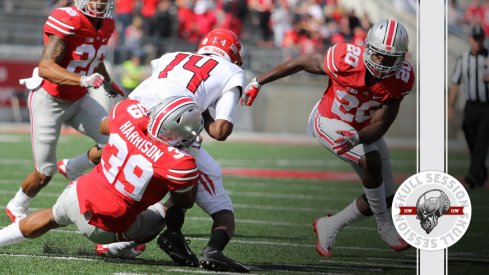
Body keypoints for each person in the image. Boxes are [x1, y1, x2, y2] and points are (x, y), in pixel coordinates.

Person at [242, 19, 414, 256]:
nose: (383, 64)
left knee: (384, 198)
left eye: (390, 58)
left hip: (359, 130)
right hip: (327, 120)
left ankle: (330, 224)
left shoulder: (402, 79)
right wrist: (258, 81)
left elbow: (381, 125)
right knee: (371, 161)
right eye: (378, 56)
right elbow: (302, 61)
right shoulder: (346, 58)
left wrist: (356, 138)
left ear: (402, 57)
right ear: (367, 49)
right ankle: (385, 227)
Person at [0, 96, 203, 259]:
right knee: (165, 211)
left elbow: (103, 127)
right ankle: (115, 247)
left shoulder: (128, 113)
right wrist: (191, 153)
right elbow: (185, 200)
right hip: (108, 229)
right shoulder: (179, 163)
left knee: (51, 216)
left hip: (78, 195)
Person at [122, 28, 248, 272]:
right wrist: (203, 110)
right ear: (232, 54)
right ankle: (211, 248)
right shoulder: (232, 71)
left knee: (130, 180)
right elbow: (220, 131)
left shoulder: (171, 56)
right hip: (170, 126)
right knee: (206, 191)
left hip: (129, 115)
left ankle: (171, 233)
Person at [6, 0, 125, 223]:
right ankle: (17, 204)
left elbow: (93, 58)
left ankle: (73, 167)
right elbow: (45, 67)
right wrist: (83, 80)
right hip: (49, 99)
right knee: (44, 172)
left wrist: (107, 81)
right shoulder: (68, 19)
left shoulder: (107, 24)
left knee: (117, 141)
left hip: (79, 98)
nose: (99, 3)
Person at [448, 24, 489, 189]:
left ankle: (472, 176)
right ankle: (481, 170)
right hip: (470, 106)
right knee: (471, 138)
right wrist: (450, 106)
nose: (477, 42)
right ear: (470, 39)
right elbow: (455, 84)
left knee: (481, 142)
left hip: (487, 107)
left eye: (480, 38)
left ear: (483, 39)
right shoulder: (463, 58)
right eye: (475, 38)